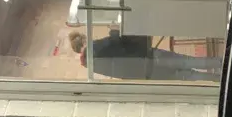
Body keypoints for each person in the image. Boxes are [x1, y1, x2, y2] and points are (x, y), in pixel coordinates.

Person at [68, 29, 223, 81]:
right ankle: (225, 63)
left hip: (147, 74)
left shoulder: (92, 67)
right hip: (148, 57)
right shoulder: (94, 48)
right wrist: (114, 30)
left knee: (188, 76)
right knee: (188, 62)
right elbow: (117, 40)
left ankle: (220, 79)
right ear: (83, 40)